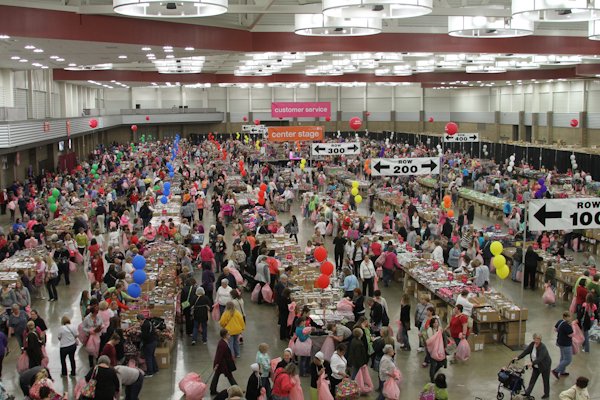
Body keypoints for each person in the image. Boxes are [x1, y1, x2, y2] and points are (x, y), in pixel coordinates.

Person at [514, 333, 552, 399]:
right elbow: (526, 351)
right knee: (532, 380)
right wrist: (518, 357)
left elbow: (540, 358)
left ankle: (546, 394)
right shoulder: (532, 344)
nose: (536, 340)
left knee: (545, 380)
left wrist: (532, 363)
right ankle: (527, 393)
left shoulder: (542, 347)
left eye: (538, 338)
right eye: (535, 338)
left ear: (540, 339)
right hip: (536, 366)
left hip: (544, 366)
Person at [210, 329, 238, 396]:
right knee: (230, 376)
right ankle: (237, 390)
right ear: (225, 335)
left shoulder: (222, 342)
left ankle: (212, 389)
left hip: (222, 363)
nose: (229, 335)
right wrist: (217, 364)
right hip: (223, 364)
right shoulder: (223, 344)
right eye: (228, 334)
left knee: (217, 376)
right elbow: (219, 355)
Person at [553, 311, 575, 380]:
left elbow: (555, 329)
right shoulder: (566, 325)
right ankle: (556, 370)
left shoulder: (560, 322)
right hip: (566, 344)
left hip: (560, 342)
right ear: (565, 317)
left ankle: (562, 372)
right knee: (568, 359)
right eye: (569, 317)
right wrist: (572, 326)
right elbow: (571, 334)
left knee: (563, 357)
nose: (570, 318)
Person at [137, 313, 158, 377]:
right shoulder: (149, 322)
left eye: (139, 320)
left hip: (149, 343)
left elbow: (144, 336)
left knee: (148, 357)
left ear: (140, 319)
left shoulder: (144, 325)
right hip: (154, 341)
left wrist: (139, 335)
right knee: (152, 356)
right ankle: (156, 369)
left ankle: (149, 372)